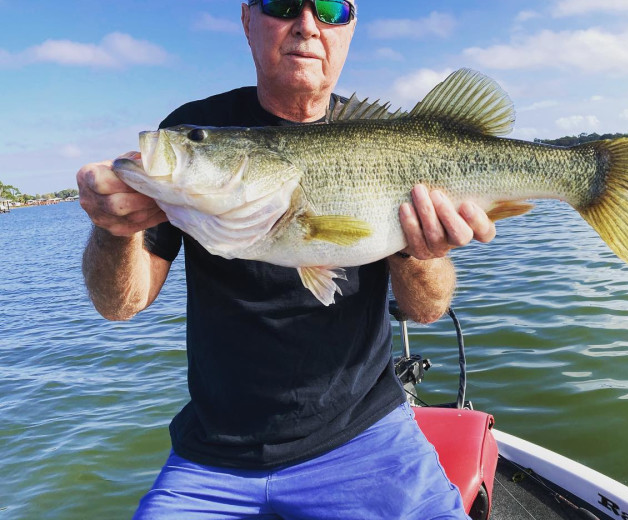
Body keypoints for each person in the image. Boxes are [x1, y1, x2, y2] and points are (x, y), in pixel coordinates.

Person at [77, 1, 496, 518]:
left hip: (366, 436)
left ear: (350, 28)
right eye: (280, 4)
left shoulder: (387, 138)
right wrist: (111, 231)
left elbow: (427, 311)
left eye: (330, 8)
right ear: (248, 21)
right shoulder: (194, 124)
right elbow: (121, 304)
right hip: (214, 457)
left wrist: (418, 249)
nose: (306, 24)